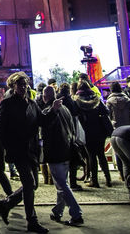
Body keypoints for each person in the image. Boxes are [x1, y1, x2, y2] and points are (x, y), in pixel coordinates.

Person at [0, 73, 47, 234]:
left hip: (31, 150)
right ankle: (32, 221)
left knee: (33, 185)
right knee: (29, 183)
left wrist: (54, 110)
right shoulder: (7, 104)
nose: (23, 87)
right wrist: (9, 146)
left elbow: (42, 121)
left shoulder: (31, 103)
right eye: (20, 85)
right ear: (13, 86)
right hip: (18, 150)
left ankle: (6, 204)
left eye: (25, 84)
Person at [38, 86, 81, 227]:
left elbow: (44, 130)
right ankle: (58, 211)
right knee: (62, 183)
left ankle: (76, 213)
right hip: (67, 149)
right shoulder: (65, 109)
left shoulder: (47, 112)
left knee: (62, 184)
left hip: (55, 151)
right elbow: (72, 127)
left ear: (45, 97)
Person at [73, 81, 113, 188]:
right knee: (101, 154)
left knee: (91, 156)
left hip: (86, 131)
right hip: (99, 130)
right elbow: (106, 111)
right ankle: (108, 178)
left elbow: (75, 115)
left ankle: (94, 180)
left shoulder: (77, 100)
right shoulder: (96, 99)